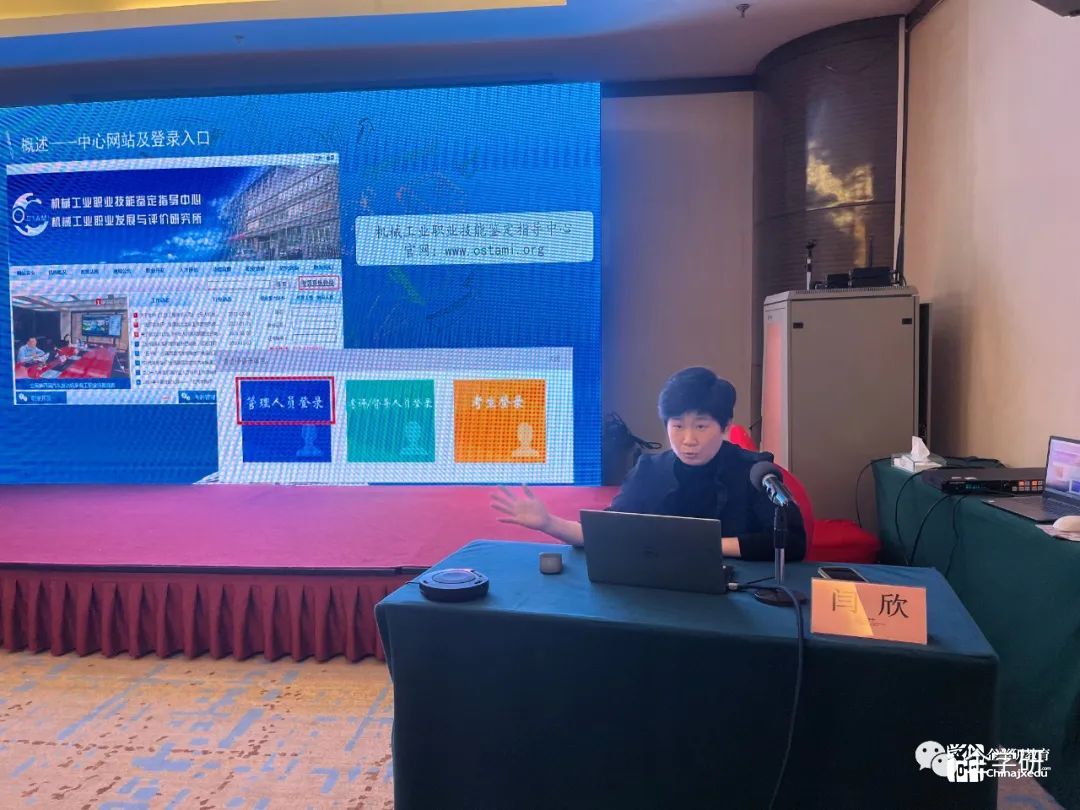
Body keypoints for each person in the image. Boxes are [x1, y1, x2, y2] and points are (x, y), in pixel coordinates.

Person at [491, 367, 806, 561]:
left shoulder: (753, 472)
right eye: (677, 426)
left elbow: (793, 543)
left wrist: (706, 545)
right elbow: (607, 532)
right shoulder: (650, 472)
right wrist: (548, 522)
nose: (688, 440)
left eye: (701, 426)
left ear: (725, 427)